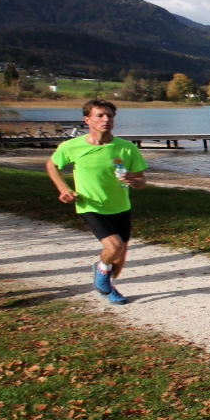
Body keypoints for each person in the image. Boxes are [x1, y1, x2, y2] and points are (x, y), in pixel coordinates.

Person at [45, 98, 148, 305]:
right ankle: (101, 269)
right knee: (114, 247)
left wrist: (133, 180)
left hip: (120, 207)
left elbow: (141, 181)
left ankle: (108, 286)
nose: (105, 119)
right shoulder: (72, 146)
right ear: (87, 120)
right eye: (99, 115)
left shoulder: (127, 148)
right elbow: (51, 165)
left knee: (119, 259)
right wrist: (63, 188)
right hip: (90, 205)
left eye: (109, 115)